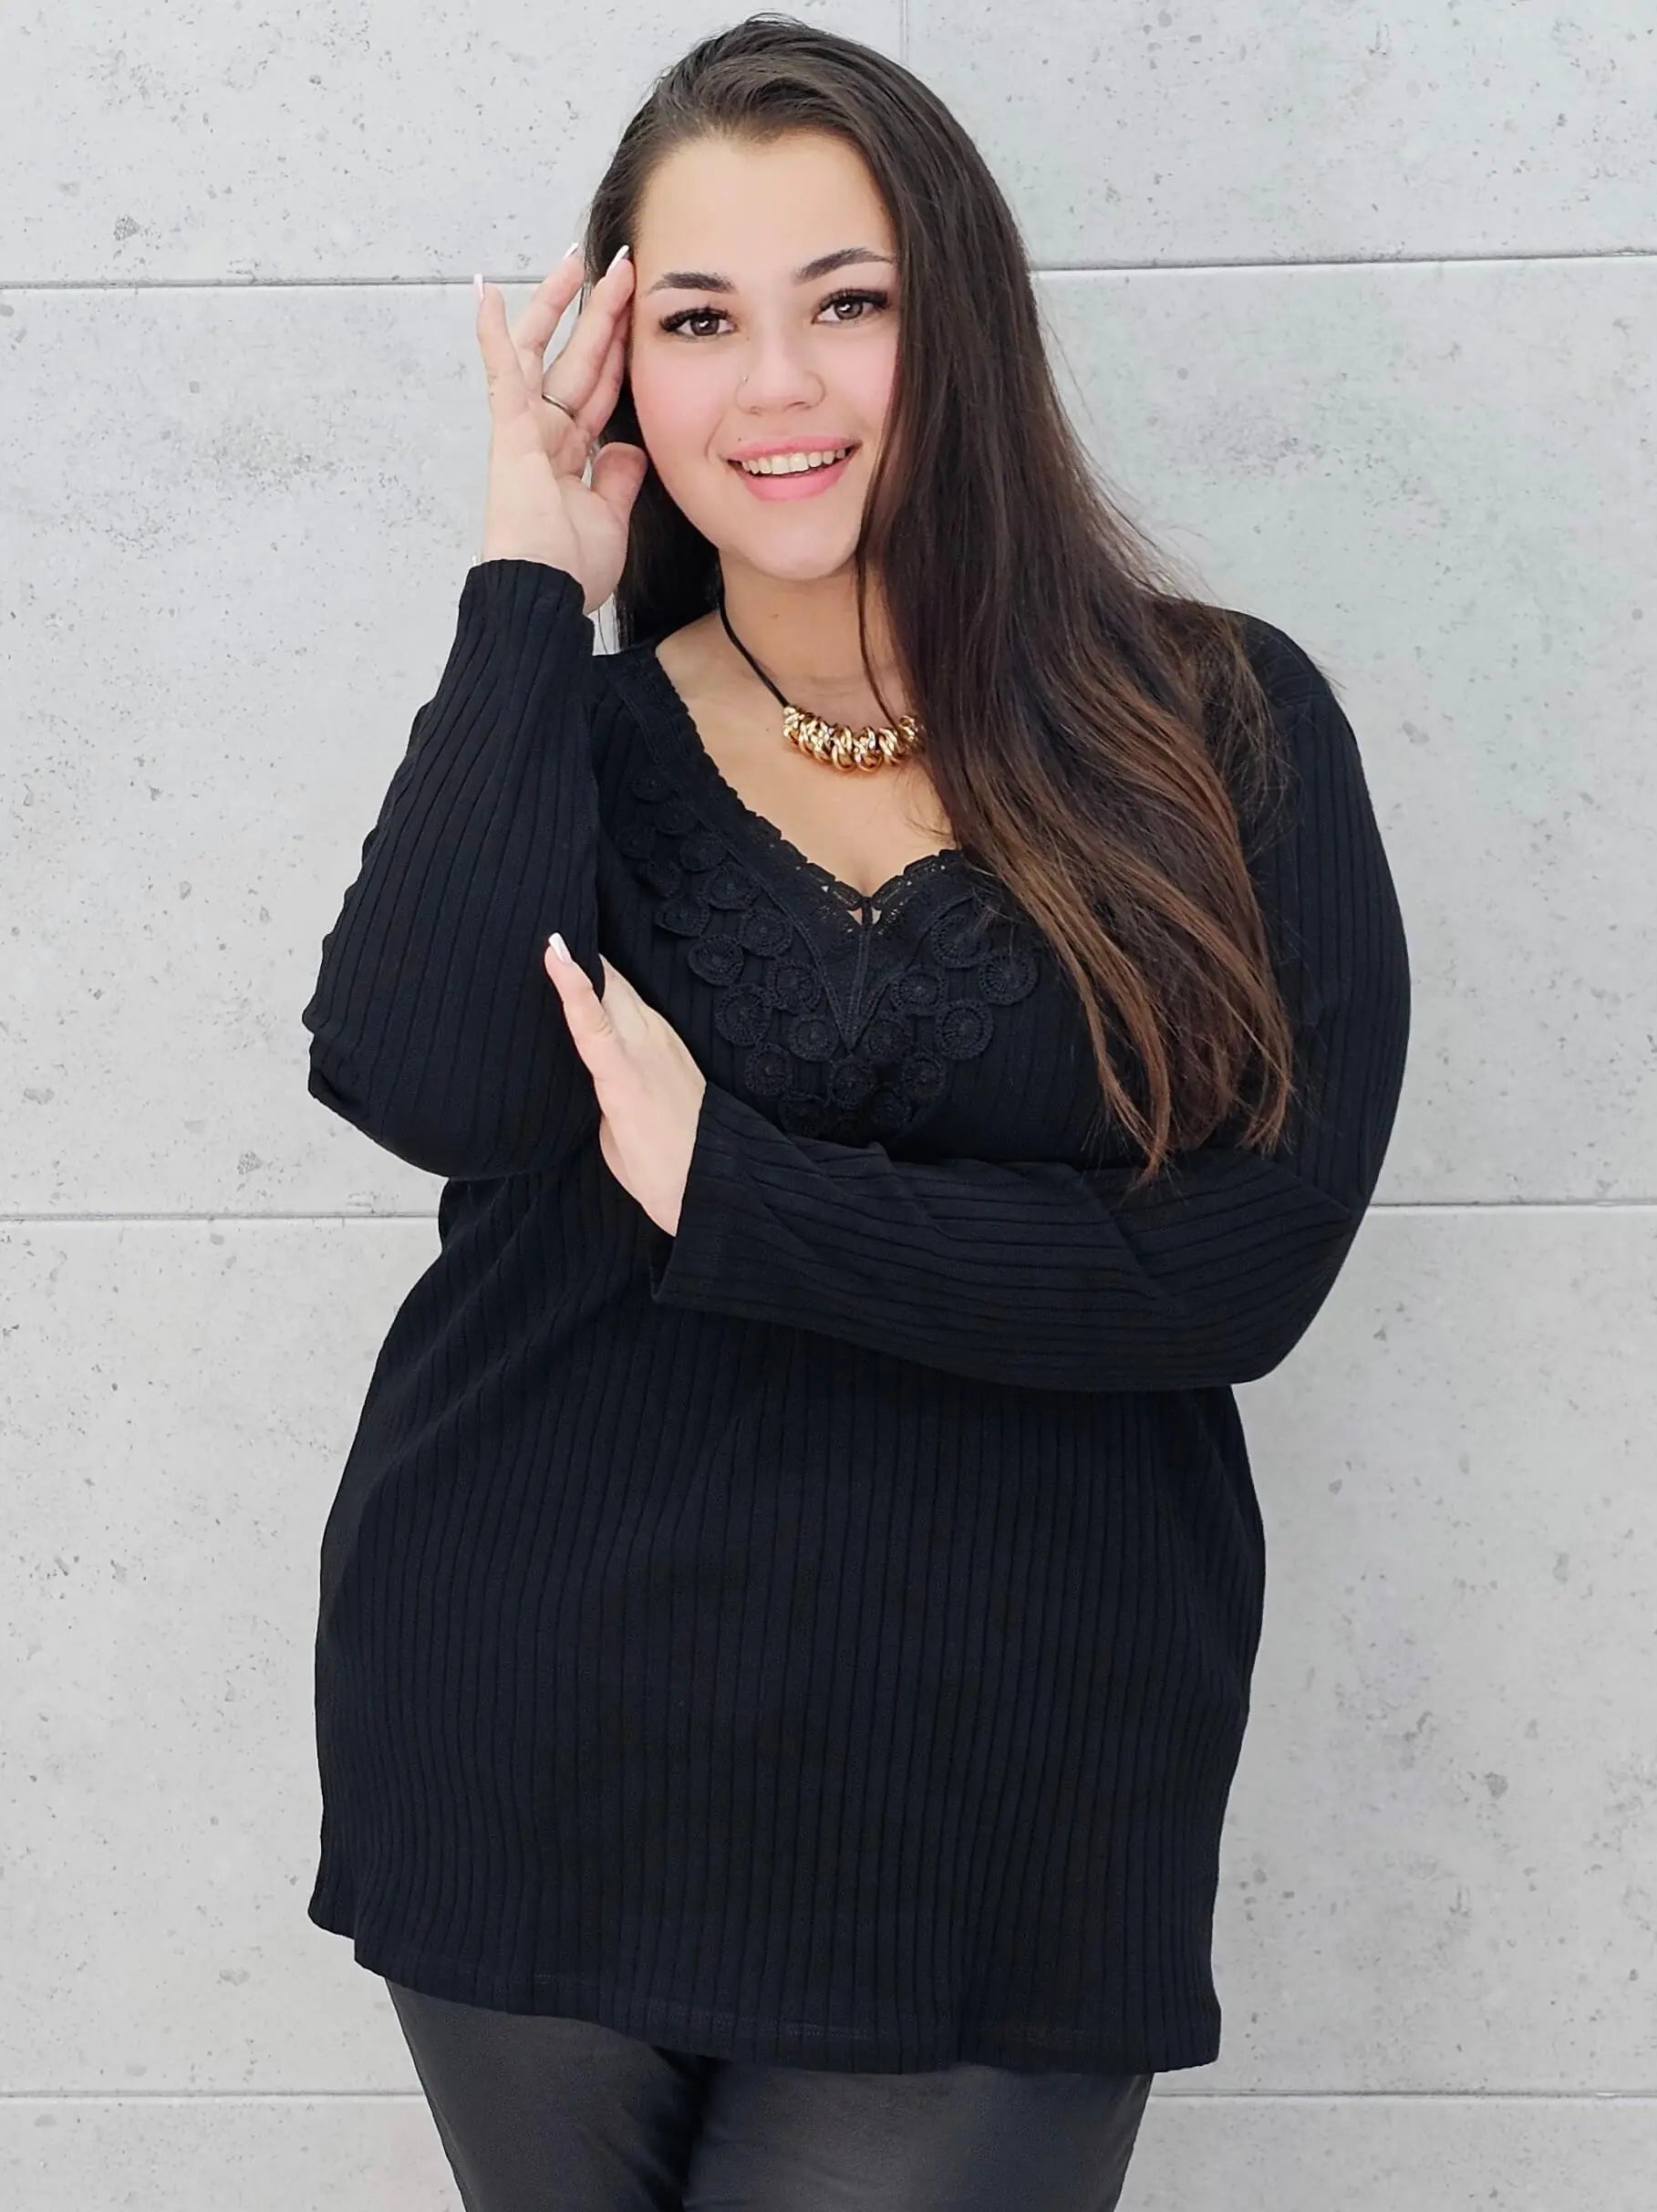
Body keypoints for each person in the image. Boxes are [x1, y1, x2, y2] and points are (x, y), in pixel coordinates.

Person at [298, 16, 1411, 2208]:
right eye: (700, 320)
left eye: (850, 301)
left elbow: (1241, 1267)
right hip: (529, 1727)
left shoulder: (1220, 726)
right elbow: (423, 1079)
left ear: (960, 322)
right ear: (626, 371)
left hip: (1005, 1808)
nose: (777, 388)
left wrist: (742, 1192)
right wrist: (530, 578)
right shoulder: (579, 738)